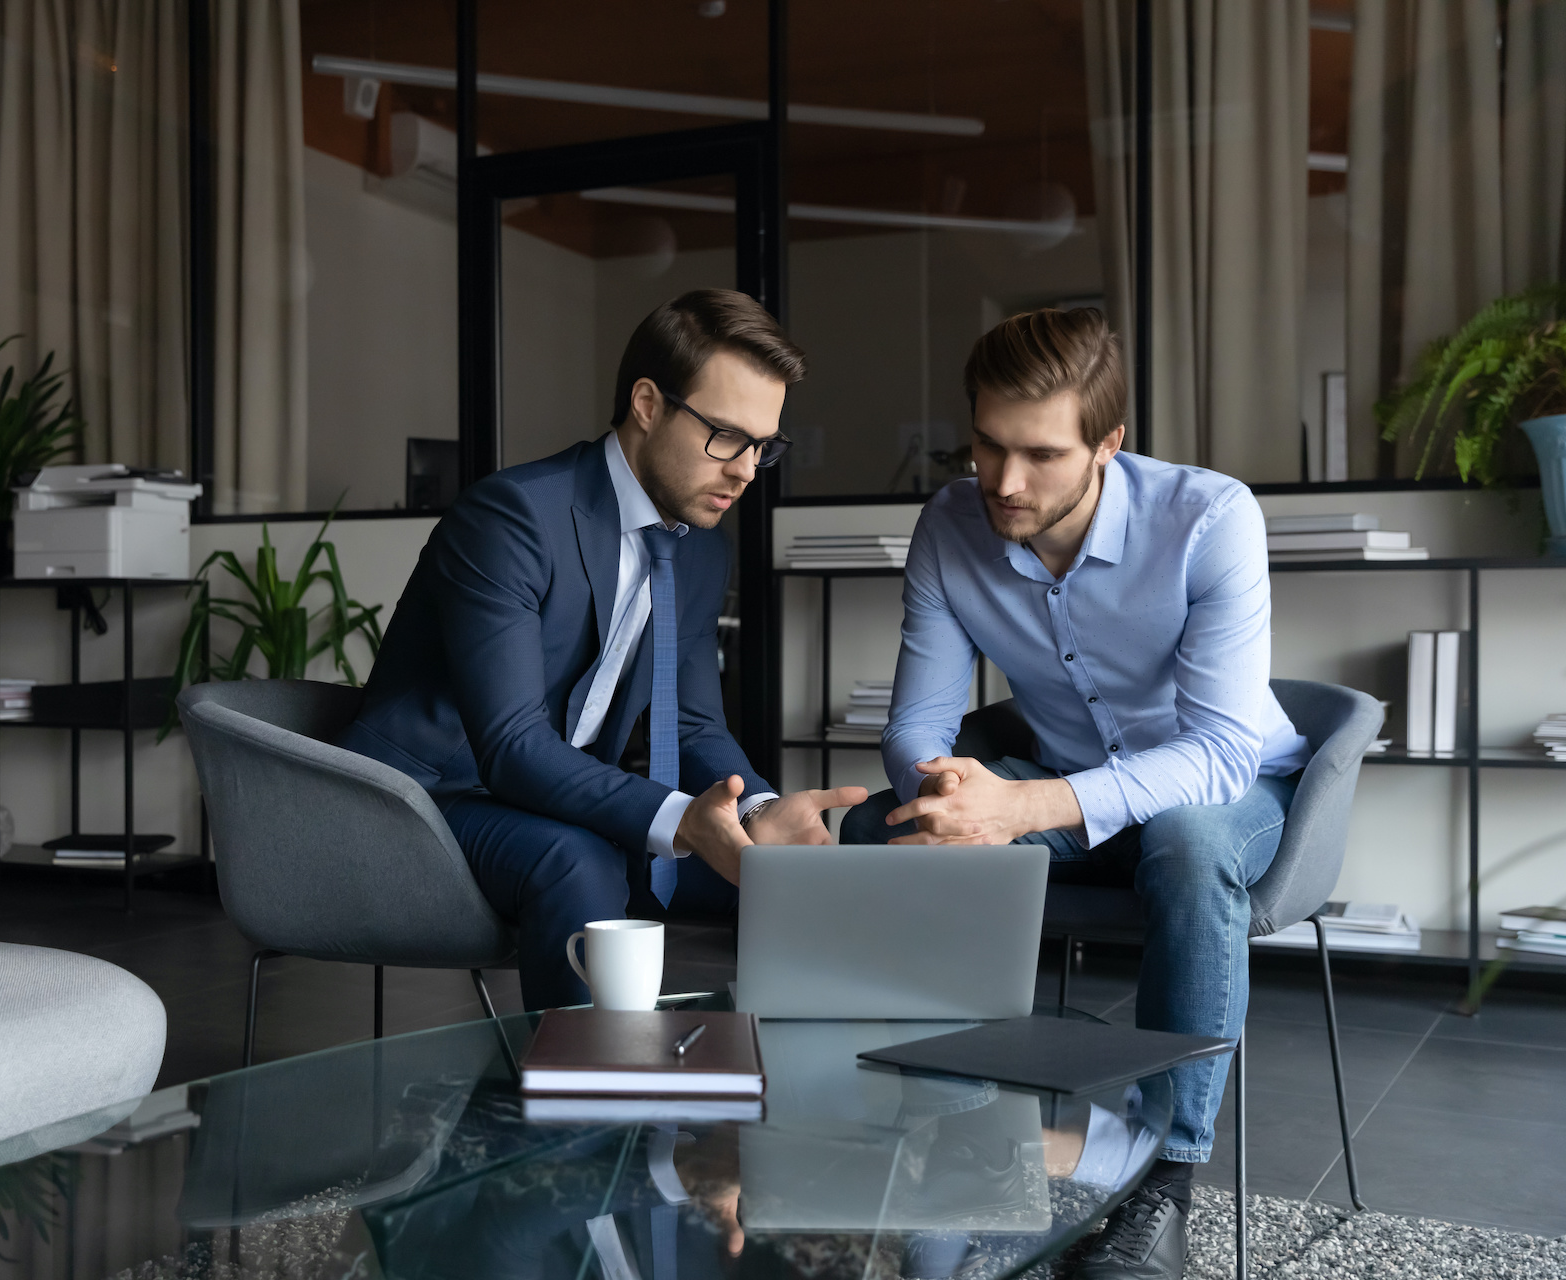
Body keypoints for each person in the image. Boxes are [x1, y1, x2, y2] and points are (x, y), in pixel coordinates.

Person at [839, 307, 1311, 1280]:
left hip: (1231, 794)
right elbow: (915, 722)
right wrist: (943, 789)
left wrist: (1016, 806)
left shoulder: (1210, 519)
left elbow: (1220, 750)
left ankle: (1161, 1189)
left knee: (1185, 839)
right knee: (894, 827)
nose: (1006, 483)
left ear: (1109, 444)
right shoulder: (949, 523)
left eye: (1043, 455)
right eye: (987, 445)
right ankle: (959, 1140)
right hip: (1065, 789)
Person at [343, 289, 866, 1011]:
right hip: (425, 800)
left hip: (549, 802)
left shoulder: (701, 549)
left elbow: (692, 725)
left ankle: (817, 1097)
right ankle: (586, 1104)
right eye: (726, 436)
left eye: (763, 446)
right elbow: (512, 745)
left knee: (797, 867)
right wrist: (683, 818)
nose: (746, 470)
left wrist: (758, 815)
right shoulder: (513, 516)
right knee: (581, 857)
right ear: (647, 403)